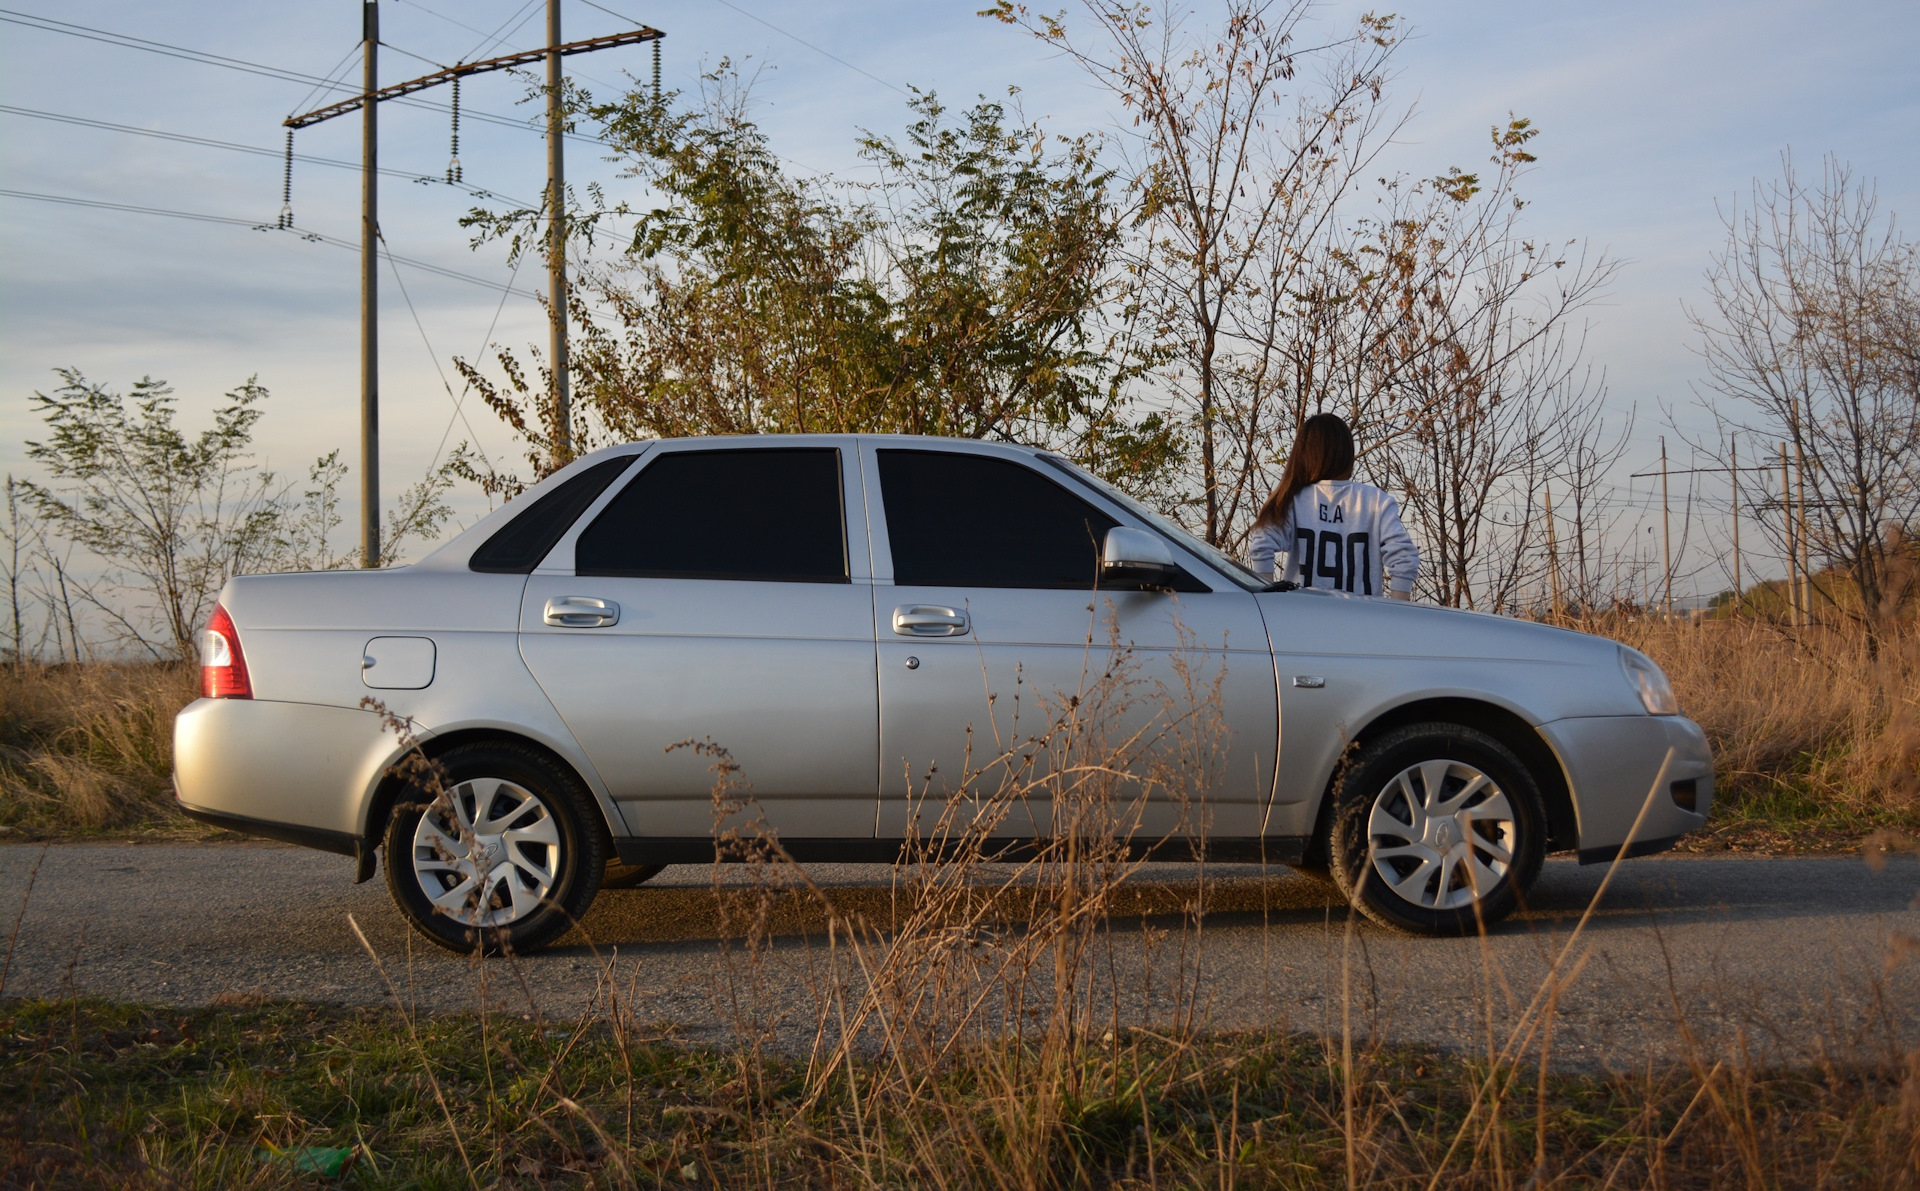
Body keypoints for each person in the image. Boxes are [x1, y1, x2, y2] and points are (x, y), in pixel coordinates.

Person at [1247, 413, 1419, 599]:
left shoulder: (1293, 499)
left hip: (1302, 618)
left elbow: (1261, 543)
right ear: (1347, 452)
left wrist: (1268, 600)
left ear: (1304, 454)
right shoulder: (1377, 501)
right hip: (1364, 620)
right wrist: (1395, 613)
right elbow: (1404, 558)